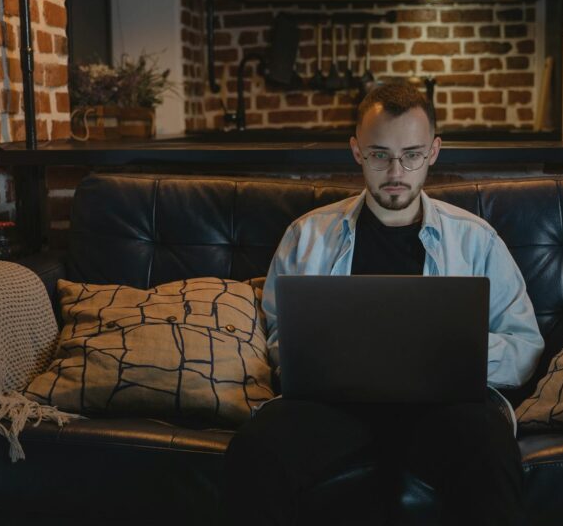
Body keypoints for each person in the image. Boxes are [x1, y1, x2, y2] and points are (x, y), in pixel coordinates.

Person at [223, 82, 544, 525]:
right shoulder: (307, 235)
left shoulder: (475, 239)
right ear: (357, 150)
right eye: (379, 154)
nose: (396, 171)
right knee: (257, 446)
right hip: (331, 409)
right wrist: (322, 361)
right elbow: (280, 338)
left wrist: (454, 357)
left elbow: (524, 344)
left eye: (411, 154)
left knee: (489, 441)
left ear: (433, 151)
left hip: (443, 411)